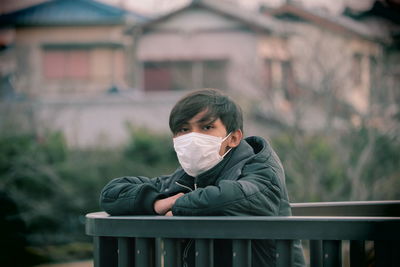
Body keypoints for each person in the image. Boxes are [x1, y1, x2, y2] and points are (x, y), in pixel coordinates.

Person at [100, 88, 305, 267]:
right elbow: (111, 194)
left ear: (233, 138)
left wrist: (178, 205)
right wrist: (156, 203)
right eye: (183, 129)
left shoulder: (260, 170)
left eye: (206, 127)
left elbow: (230, 198)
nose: (192, 137)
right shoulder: (186, 178)